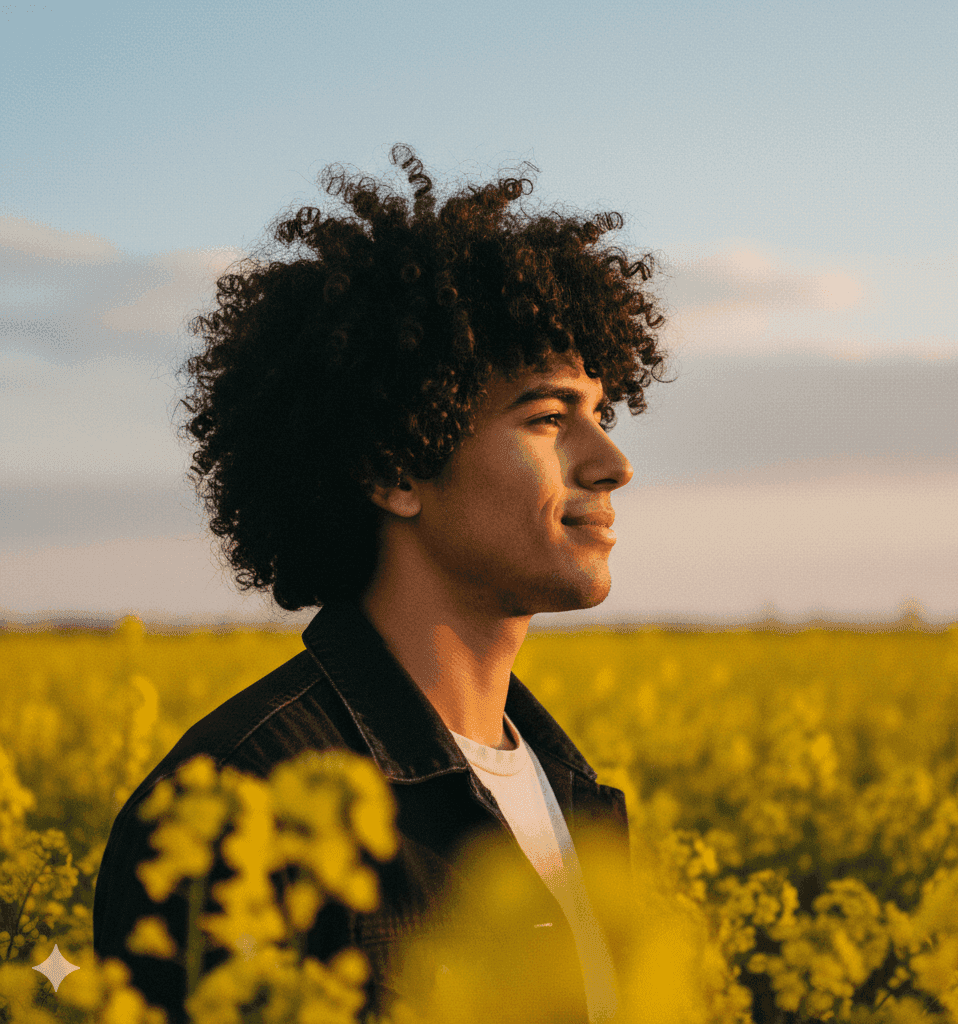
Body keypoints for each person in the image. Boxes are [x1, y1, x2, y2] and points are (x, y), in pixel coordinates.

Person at [92, 144, 676, 1023]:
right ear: (394, 468)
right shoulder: (242, 804)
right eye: (550, 418)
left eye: (602, 414)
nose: (613, 464)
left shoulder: (570, 789)